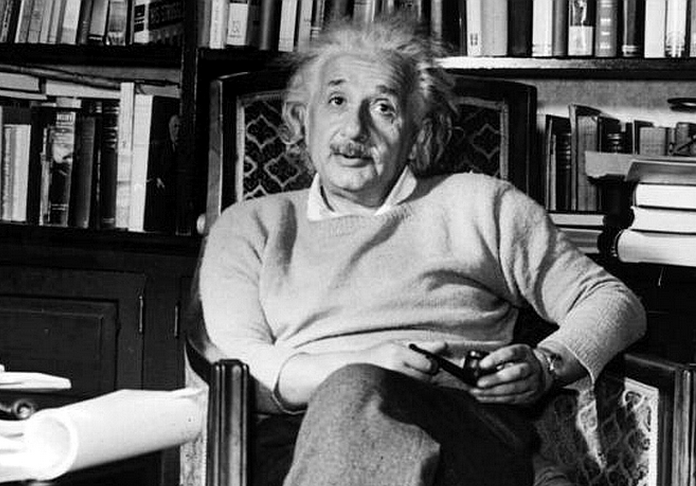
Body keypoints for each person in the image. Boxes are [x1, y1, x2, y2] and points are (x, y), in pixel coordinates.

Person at [199, 15, 646, 486]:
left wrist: (547, 364)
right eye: (336, 100)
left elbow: (613, 301)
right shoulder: (250, 226)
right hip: (296, 443)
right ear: (301, 119)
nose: (355, 129)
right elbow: (235, 360)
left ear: (418, 133)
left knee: (357, 390)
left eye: (384, 108)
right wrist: (361, 367)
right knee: (352, 389)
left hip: (459, 433)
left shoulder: (480, 205)